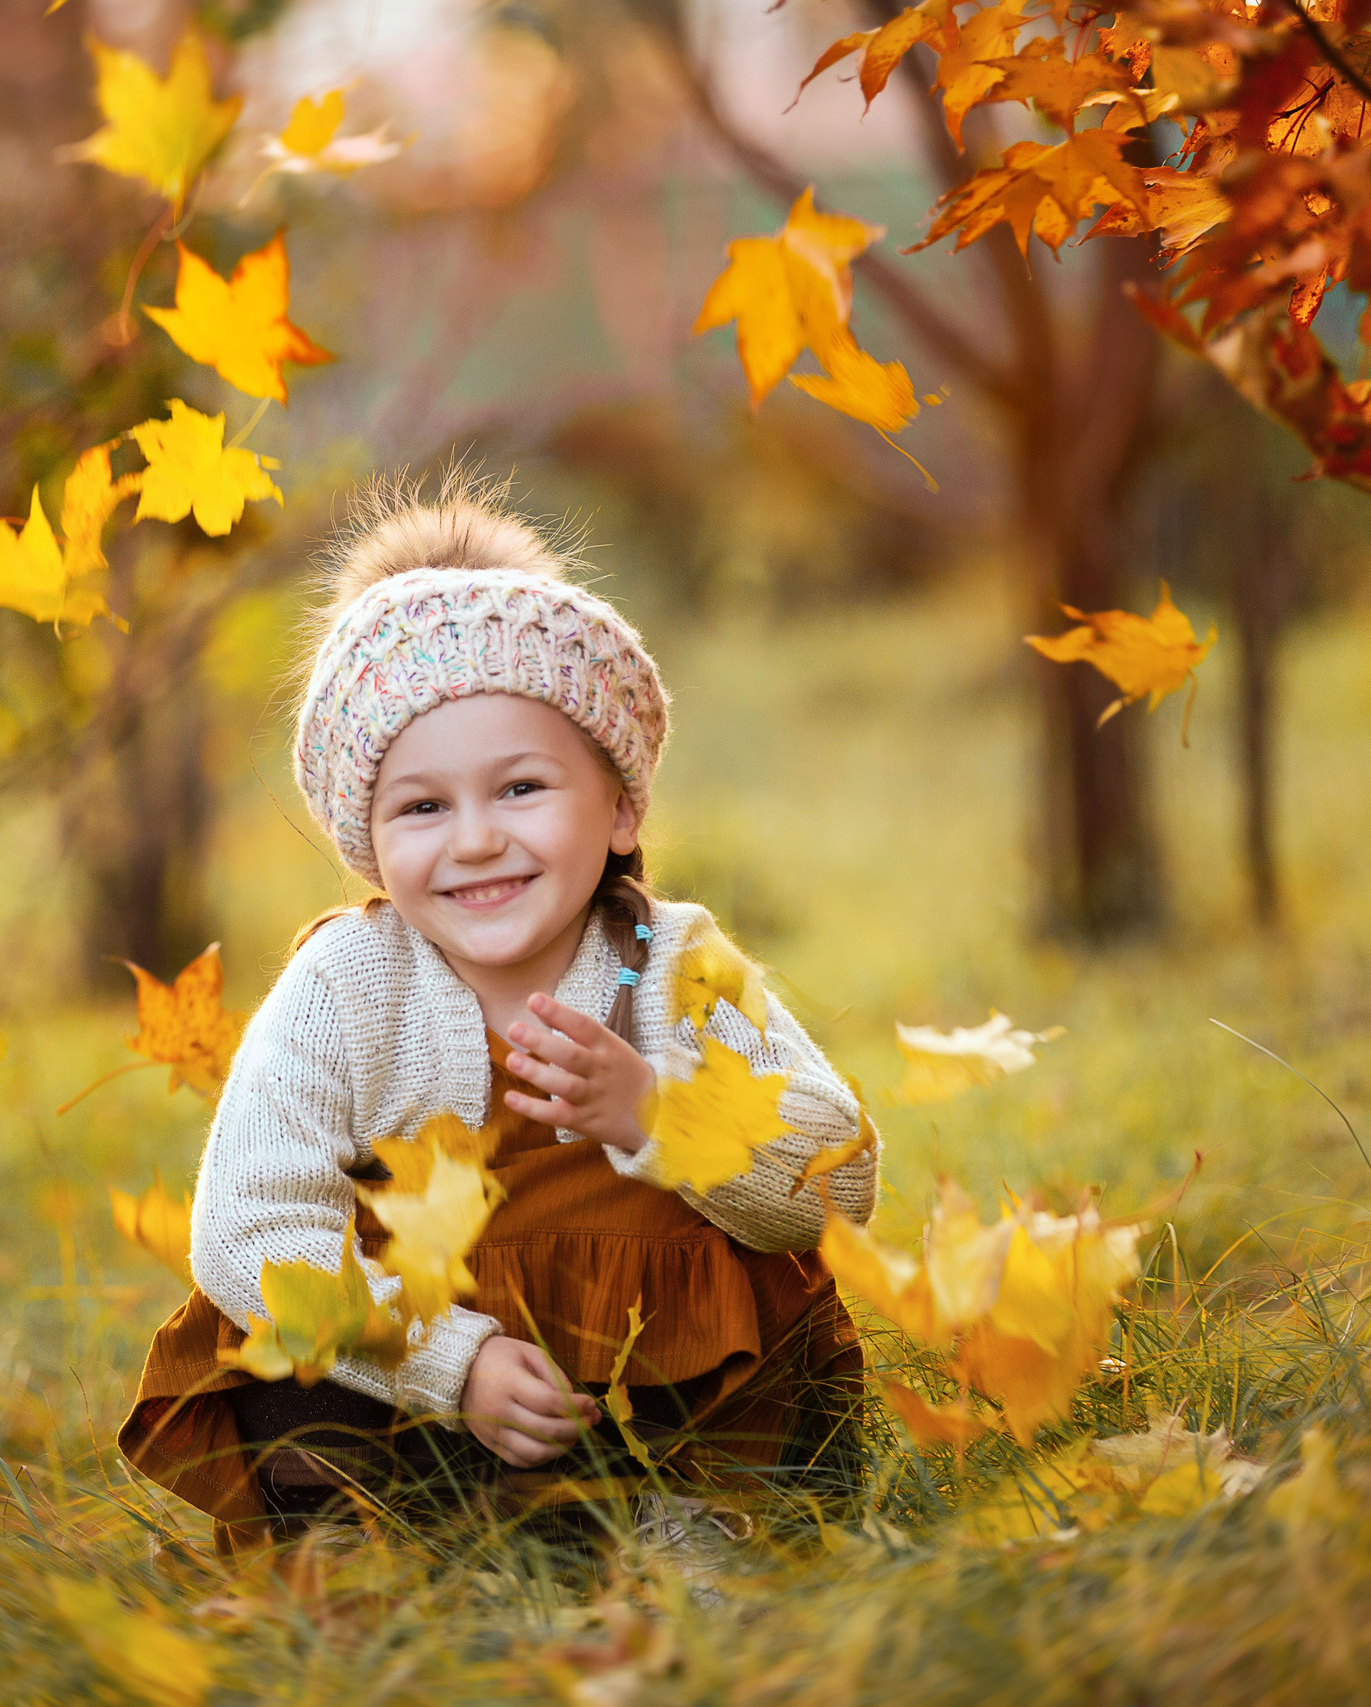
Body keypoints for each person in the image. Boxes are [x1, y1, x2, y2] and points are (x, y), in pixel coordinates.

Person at [117, 473, 879, 1552]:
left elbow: (837, 1185)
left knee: (743, 1253)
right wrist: (448, 1360)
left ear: (618, 807)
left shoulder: (669, 965)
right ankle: (353, 1546)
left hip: (633, 1414)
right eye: (423, 806)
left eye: (520, 789)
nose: (473, 839)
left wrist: (663, 1116)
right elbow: (246, 1227)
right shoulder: (348, 988)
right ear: (367, 840)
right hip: (418, 1411)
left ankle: (704, 1529)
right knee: (273, 1321)